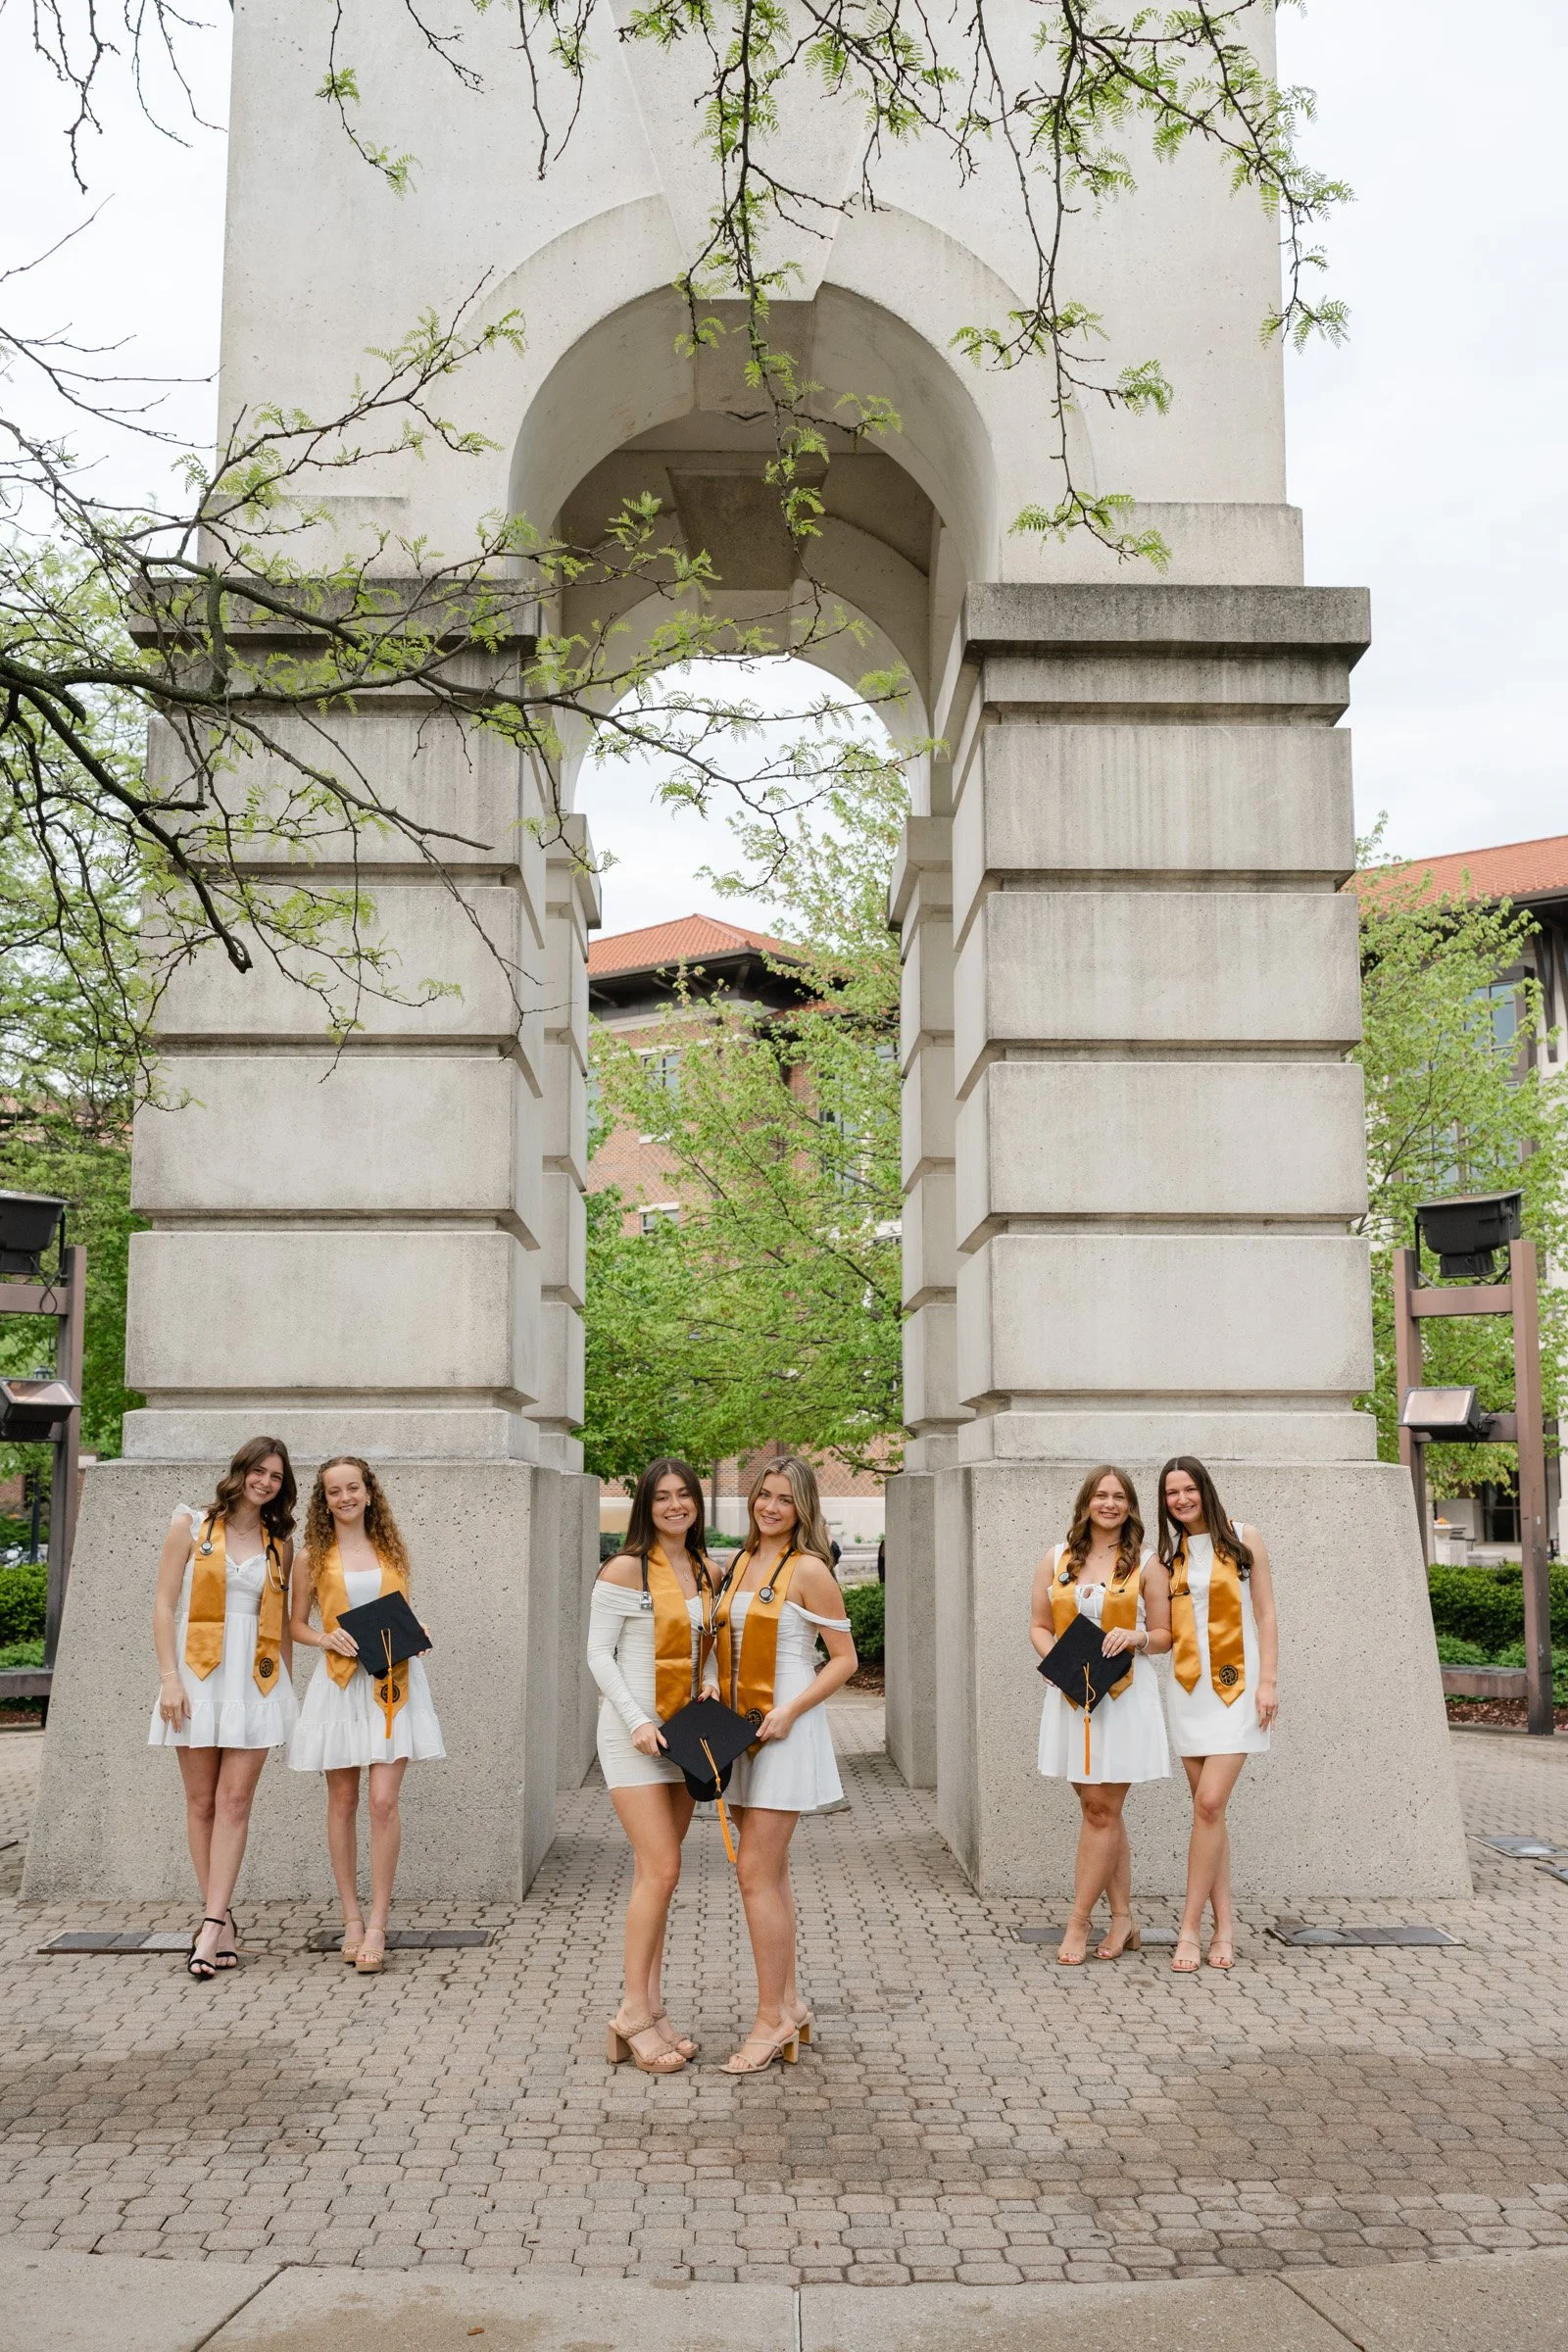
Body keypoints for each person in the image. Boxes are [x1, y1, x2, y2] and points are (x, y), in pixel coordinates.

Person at [711, 1455, 857, 2073]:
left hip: (784, 1727)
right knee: (767, 1875)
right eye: (763, 1495)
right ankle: (790, 2004)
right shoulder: (739, 1561)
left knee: (753, 1873)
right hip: (737, 1726)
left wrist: (792, 1711)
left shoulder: (810, 1569)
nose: (770, 1507)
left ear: (803, 1508)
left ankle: (769, 2020)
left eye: (784, 1499)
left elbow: (844, 1659)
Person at [149, 1436, 300, 1981]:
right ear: (240, 1471)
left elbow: (281, 1625)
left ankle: (210, 1925)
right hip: (196, 1678)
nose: (265, 1482)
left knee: (235, 1802)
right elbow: (164, 1604)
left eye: (276, 1477)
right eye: (259, 1471)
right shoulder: (190, 1526)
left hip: (254, 1681)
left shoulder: (279, 1545)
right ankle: (222, 1919)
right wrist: (169, 1681)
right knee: (201, 1803)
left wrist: (286, 1692)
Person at [288, 1457, 444, 1975]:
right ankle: (351, 1919)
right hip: (338, 1685)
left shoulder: (391, 1550)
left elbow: (401, 1612)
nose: (345, 1497)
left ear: (369, 1492)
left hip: (392, 1685)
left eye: (353, 1487)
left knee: (383, 1802)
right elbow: (295, 1625)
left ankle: (378, 1922)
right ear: (324, 1500)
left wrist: (418, 1630)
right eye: (334, 1491)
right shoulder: (311, 1557)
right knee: (343, 1801)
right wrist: (324, 1636)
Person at [587, 1457, 715, 2076]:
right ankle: (632, 2012)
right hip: (633, 1737)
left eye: (684, 1494)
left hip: (684, 1736)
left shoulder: (707, 1569)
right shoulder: (624, 1568)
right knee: (662, 1869)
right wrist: (638, 1720)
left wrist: (711, 1679)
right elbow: (599, 1653)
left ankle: (654, 2009)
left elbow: (707, 1645)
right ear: (646, 1504)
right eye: (662, 1496)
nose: (674, 1505)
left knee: (654, 1876)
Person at [1030, 1464, 1172, 1965]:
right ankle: (1124, 1918)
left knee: (1099, 1811)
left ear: (1130, 1507)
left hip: (1123, 1697)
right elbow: (1039, 1624)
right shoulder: (1057, 1558)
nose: (1109, 1504)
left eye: (1118, 1497)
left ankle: (1078, 1923)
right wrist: (1055, 1663)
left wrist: (1137, 1636)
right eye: (1100, 1495)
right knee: (1101, 1811)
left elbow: (1165, 1635)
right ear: (1086, 1502)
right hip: (1072, 1694)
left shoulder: (1147, 1564)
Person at [1158, 1456, 1279, 1974]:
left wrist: (1268, 1682)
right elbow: (1161, 1631)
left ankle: (1189, 1929)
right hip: (1188, 1692)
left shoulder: (1244, 1537)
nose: (1181, 1499)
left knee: (1208, 1804)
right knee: (1211, 1815)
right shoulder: (1167, 1557)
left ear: (1204, 1488)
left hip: (1239, 1689)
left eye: (1188, 1489)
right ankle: (1224, 1928)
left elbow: (1265, 1613)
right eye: (1171, 1493)